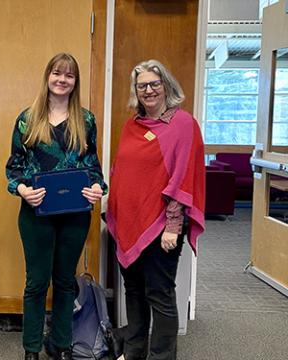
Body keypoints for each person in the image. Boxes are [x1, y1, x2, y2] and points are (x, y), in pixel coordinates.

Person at [6, 53, 107, 360]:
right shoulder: (27, 118)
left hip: (75, 215)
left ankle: (62, 346)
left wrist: (96, 189)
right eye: (57, 74)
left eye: (69, 76)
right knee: (36, 283)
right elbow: (14, 169)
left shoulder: (85, 120)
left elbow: (94, 169)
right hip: (37, 214)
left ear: (75, 82)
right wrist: (23, 190)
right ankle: (31, 349)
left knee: (65, 282)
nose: (62, 80)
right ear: (47, 76)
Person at [106, 60, 205, 360]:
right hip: (129, 224)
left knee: (159, 295)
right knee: (133, 293)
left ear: (166, 86)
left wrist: (173, 225)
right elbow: (121, 172)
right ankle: (135, 352)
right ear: (135, 92)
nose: (148, 90)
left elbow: (183, 175)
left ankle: (162, 357)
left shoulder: (183, 124)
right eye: (141, 86)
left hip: (162, 226)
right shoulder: (131, 125)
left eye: (154, 84)